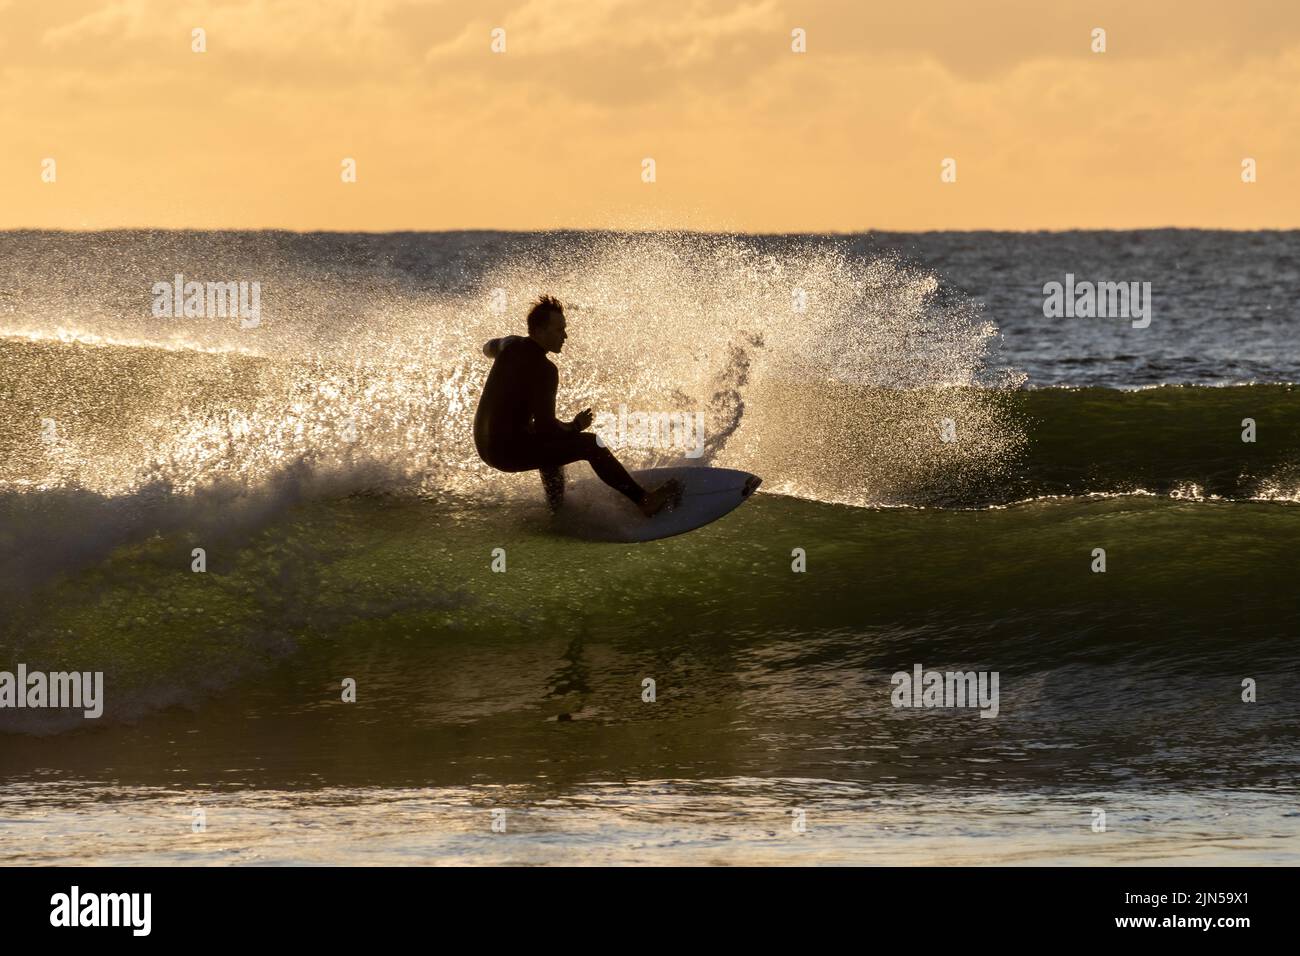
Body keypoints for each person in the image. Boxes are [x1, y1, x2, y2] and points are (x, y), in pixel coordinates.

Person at [473, 294, 682, 516]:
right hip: (506, 453)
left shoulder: (509, 344)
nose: (565, 335)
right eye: (559, 330)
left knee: (543, 445)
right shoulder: (545, 370)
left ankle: (557, 508)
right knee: (591, 444)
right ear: (540, 331)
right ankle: (645, 501)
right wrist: (574, 426)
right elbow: (547, 429)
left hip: (485, 446)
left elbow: (487, 348)